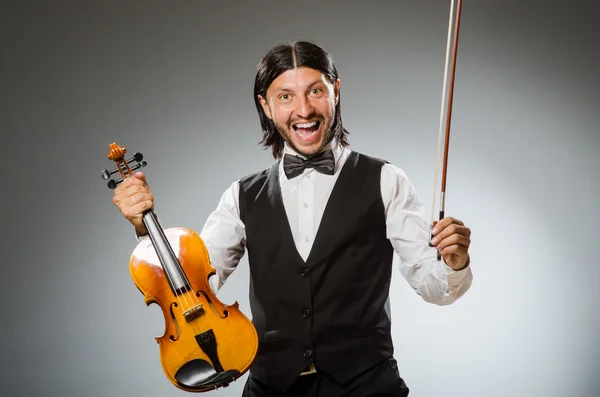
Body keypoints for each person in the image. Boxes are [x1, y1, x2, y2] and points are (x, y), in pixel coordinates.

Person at [112, 40, 473, 397]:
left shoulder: (386, 181)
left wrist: (455, 264)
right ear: (265, 105)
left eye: (315, 91)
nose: (303, 109)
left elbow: (435, 287)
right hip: (271, 388)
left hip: (367, 386)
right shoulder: (241, 196)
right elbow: (195, 289)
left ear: (336, 92)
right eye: (285, 96)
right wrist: (146, 229)